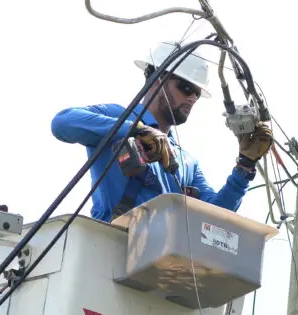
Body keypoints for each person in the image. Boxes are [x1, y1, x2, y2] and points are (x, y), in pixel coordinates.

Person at [50, 42, 274, 222]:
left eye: (196, 93)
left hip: (156, 266)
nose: (191, 98)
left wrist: (245, 165)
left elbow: (215, 218)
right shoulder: (119, 117)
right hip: (108, 249)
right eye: (186, 88)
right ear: (158, 80)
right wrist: (136, 130)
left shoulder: (186, 162)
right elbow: (61, 123)